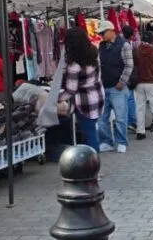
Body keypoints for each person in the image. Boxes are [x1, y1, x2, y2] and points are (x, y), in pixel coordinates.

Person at [57, 27, 104, 152]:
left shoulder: (74, 65)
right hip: (98, 96)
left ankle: (94, 167)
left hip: (84, 102)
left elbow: (71, 90)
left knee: (89, 135)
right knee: (92, 132)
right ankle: (94, 165)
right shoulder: (94, 53)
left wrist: (57, 98)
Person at [96, 20, 133, 153]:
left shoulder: (124, 45)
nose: (101, 35)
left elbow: (129, 65)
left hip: (118, 87)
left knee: (121, 117)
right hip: (104, 86)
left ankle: (121, 141)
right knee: (102, 118)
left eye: (103, 32)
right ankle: (106, 142)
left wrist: (122, 82)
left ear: (111, 31)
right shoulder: (101, 45)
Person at [121, 25, 139, 133]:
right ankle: (131, 121)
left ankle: (130, 121)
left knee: (128, 99)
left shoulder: (123, 45)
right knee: (130, 99)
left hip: (125, 77)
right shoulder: (130, 45)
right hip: (130, 76)